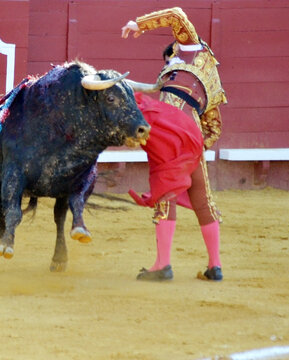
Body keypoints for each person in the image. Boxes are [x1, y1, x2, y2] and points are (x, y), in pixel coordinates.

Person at [122, 7, 228, 281]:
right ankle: (215, 266)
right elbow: (214, 128)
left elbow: (177, 15)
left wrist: (139, 23)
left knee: (165, 193)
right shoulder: (212, 84)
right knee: (203, 199)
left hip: (169, 124)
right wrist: (191, 153)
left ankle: (162, 264)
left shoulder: (189, 49)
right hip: (193, 135)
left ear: (174, 52)